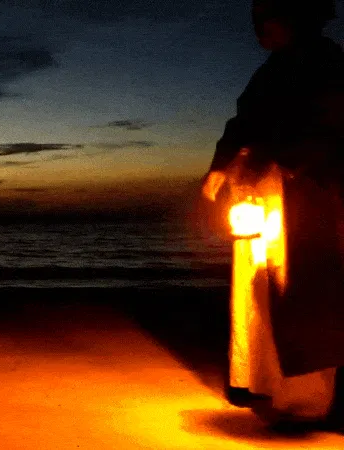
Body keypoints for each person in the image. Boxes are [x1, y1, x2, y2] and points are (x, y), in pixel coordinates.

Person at [201, 0, 344, 427]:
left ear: (294, 19)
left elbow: (330, 126)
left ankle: (306, 399)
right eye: (257, 22)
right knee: (259, 284)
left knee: (296, 285)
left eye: (266, 21)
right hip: (263, 190)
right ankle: (263, 381)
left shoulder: (327, 63)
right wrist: (221, 167)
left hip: (306, 191)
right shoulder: (271, 71)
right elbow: (243, 121)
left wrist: (287, 159)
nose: (259, 30)